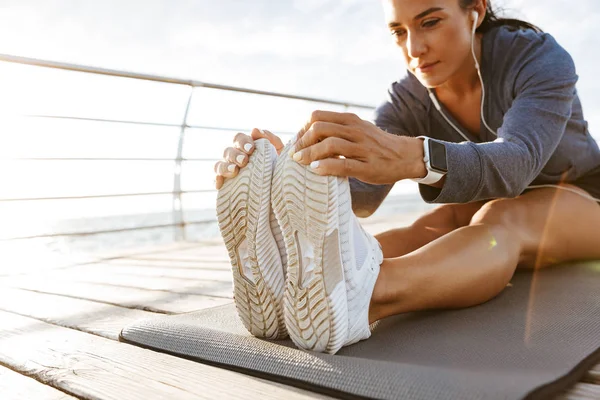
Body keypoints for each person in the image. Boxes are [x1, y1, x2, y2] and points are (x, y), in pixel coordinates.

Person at [214, 0, 600, 354]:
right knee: (435, 223)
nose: (413, 49)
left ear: (475, 11)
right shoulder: (408, 98)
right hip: (496, 196)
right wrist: (293, 170)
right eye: (399, 32)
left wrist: (416, 156)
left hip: (582, 194)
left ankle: (366, 299)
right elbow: (363, 197)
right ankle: (301, 282)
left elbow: (518, 161)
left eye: (429, 22)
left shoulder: (538, 57)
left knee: (502, 220)